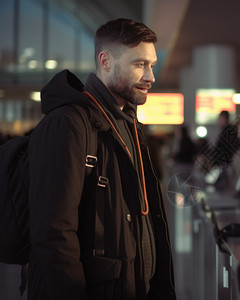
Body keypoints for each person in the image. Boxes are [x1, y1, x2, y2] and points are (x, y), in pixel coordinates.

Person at [28, 19, 176, 299]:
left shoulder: (127, 123)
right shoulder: (68, 124)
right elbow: (53, 234)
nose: (150, 77)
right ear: (105, 61)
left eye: (152, 65)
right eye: (139, 64)